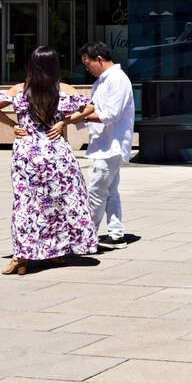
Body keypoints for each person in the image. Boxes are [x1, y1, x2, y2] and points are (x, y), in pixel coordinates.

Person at [0, 47, 99, 274]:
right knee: (55, 203)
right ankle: (53, 252)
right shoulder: (63, 89)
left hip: (27, 153)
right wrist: (63, 123)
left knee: (26, 203)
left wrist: (13, 126)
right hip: (56, 153)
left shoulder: (20, 89)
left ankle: (22, 255)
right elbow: (89, 107)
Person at [71, 41, 135, 248]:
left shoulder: (117, 79)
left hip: (111, 145)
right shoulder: (101, 81)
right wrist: (75, 118)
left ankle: (87, 236)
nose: (86, 67)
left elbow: (112, 115)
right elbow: (92, 109)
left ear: (99, 59)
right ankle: (116, 234)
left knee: (97, 190)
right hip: (104, 144)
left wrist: (82, 119)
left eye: (87, 63)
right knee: (109, 191)